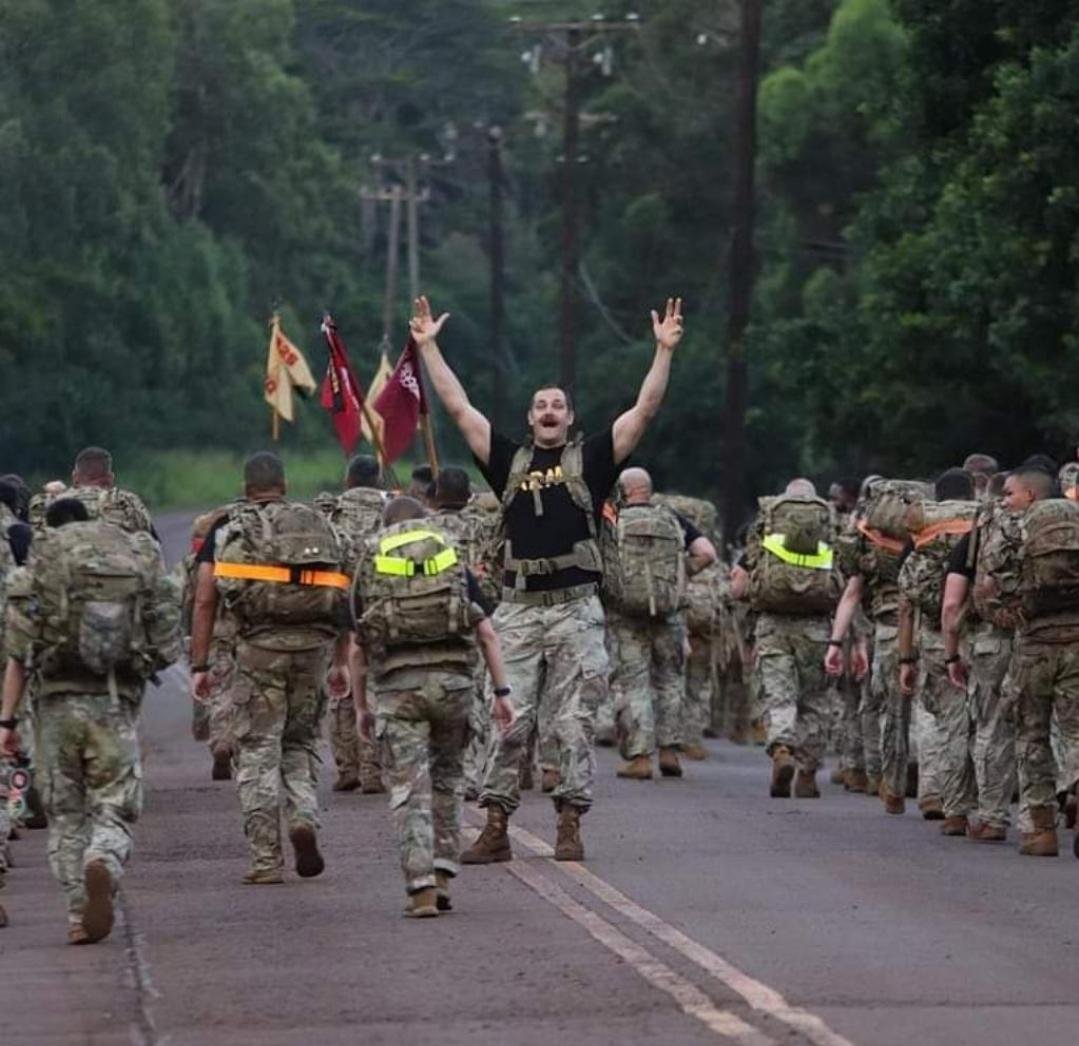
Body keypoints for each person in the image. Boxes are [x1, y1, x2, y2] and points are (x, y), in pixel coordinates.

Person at [410, 294, 684, 862]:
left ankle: (569, 824)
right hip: (517, 608)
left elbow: (645, 410)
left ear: (571, 417)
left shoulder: (596, 459)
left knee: (575, 722)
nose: (550, 411)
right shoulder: (507, 460)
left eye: (559, 404)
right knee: (508, 719)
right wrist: (429, 347)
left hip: (577, 609)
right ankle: (495, 827)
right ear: (530, 418)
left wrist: (662, 351)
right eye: (541, 406)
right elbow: (459, 408)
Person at [0, 497, 180, 943]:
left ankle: (79, 914)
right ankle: (104, 857)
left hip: (54, 709)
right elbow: (164, 643)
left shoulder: (37, 572)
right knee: (115, 805)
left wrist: (6, 723)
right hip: (113, 704)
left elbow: (18, 658)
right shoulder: (128, 557)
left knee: (65, 816)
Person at [346, 496, 514, 916]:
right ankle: (442, 872)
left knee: (409, 789)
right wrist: (501, 692)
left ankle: (419, 886)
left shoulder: (372, 554)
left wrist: (361, 707)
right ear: (425, 523)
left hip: (398, 689)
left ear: (386, 524)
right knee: (448, 780)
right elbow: (487, 631)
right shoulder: (449, 550)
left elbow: (356, 644)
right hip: (454, 685)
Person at [190, 452, 347, 883]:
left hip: (258, 651)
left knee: (259, 750)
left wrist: (200, 663)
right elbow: (345, 590)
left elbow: (205, 599)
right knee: (300, 742)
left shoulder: (228, 528)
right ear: (284, 484)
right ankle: (303, 818)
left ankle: (265, 860)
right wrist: (341, 660)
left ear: (246, 488)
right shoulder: (315, 522)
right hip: (314, 648)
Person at [732, 478, 842, 798]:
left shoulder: (765, 529)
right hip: (818, 628)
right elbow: (844, 581)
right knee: (813, 702)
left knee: (780, 697)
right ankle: (807, 775)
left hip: (773, 626)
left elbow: (738, 587)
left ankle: (782, 749)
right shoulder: (831, 531)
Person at [605, 468, 716, 780]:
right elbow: (707, 553)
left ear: (622, 492)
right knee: (670, 681)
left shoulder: (613, 520)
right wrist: (678, 577)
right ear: (648, 491)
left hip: (626, 616)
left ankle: (640, 757)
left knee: (635, 684)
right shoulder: (672, 519)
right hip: (668, 615)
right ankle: (669, 752)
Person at [828, 478, 929, 813]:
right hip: (930, 629)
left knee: (889, 709)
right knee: (930, 712)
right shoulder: (933, 535)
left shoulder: (872, 540)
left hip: (887, 630)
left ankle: (891, 784)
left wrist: (836, 641)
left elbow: (851, 595)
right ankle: (933, 789)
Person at [940, 468, 1025, 843]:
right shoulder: (1051, 531)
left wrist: (951, 654)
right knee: (1041, 728)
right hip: (1041, 638)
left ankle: (990, 817)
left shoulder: (978, 537)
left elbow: (950, 605)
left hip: (990, 643)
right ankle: (1040, 820)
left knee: (990, 727)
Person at [897, 468, 978, 834]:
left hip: (931, 634)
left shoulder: (923, 530)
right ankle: (977, 803)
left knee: (937, 717)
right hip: (978, 632)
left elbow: (907, 599)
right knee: (979, 721)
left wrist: (905, 657)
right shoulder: (984, 521)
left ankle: (934, 792)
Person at [315, 454, 387, 794]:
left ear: (348, 481)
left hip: (337, 604)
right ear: (379, 480)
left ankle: (346, 766)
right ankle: (374, 766)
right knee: (376, 685)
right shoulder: (392, 509)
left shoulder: (330, 513)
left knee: (339, 683)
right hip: (379, 603)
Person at [29, 447, 157, 538]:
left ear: (75, 477)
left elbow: (35, 538)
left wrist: (52, 494)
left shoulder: (53, 503)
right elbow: (148, 540)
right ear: (110, 478)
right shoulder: (128, 501)